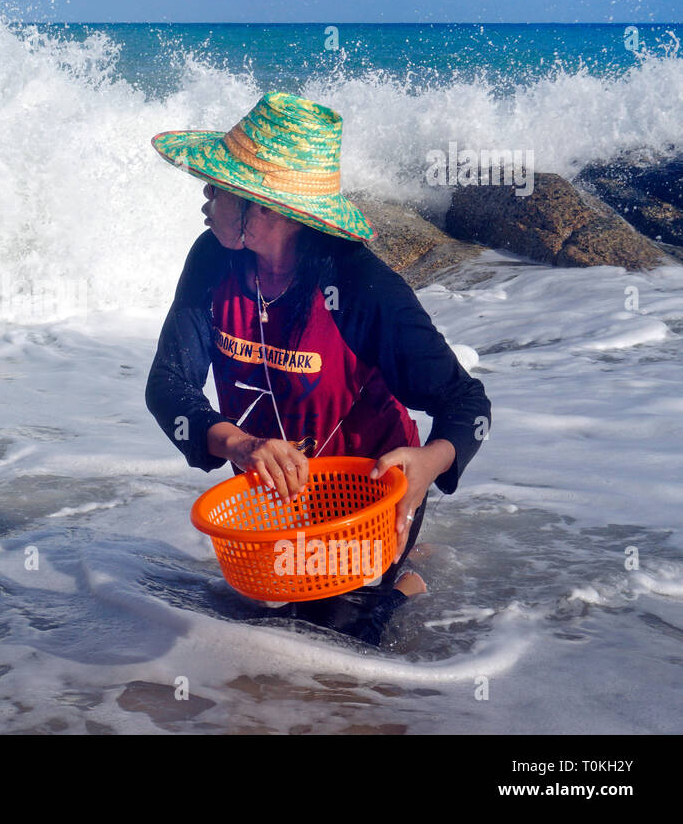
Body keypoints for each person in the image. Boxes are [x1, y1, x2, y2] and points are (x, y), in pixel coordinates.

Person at [145, 92, 491, 644]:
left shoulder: (357, 285)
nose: (206, 197)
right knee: (244, 628)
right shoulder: (213, 259)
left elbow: (467, 405)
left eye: (219, 186)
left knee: (330, 641)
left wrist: (426, 467)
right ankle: (391, 576)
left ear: (265, 206)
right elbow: (166, 384)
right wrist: (237, 444)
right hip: (275, 495)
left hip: (368, 499)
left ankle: (404, 583)